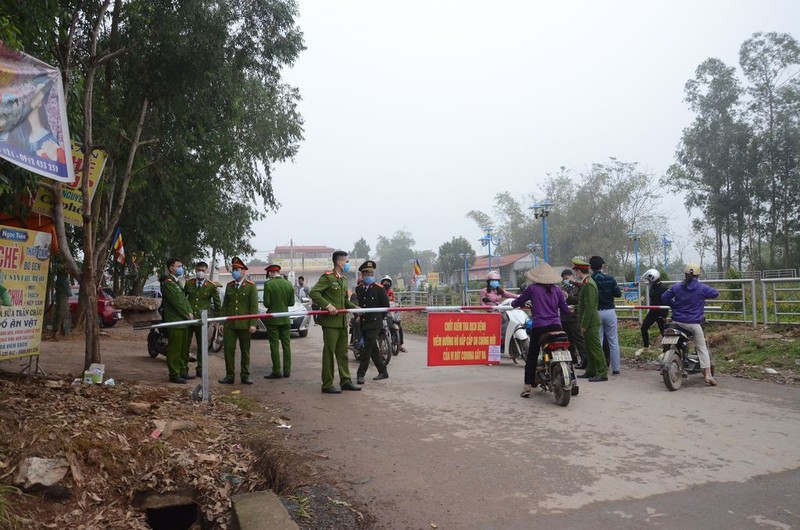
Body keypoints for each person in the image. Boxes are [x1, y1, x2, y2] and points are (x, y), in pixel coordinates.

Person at [512, 263, 571, 397]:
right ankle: (571, 380)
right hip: (557, 327)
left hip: (540, 327)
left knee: (532, 355)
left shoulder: (532, 289)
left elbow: (518, 301)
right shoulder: (557, 290)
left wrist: (513, 304)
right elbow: (565, 309)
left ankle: (527, 387)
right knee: (561, 351)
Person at [309, 250, 362, 394]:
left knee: (343, 353)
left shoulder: (343, 280)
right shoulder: (327, 278)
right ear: (338, 262)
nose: (347, 264)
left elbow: (344, 301)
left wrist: (355, 308)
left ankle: (346, 381)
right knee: (329, 353)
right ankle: (327, 384)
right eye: (346, 261)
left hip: (342, 322)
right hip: (330, 323)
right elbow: (314, 293)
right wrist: (327, 305)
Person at [662, 263, 719, 386]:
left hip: (676, 322)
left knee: (669, 342)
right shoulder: (702, 288)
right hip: (693, 324)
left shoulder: (677, 287)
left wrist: (674, 305)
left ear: (685, 274)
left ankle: (667, 364)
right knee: (701, 347)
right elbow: (715, 293)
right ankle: (708, 375)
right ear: (698, 275)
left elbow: (664, 297)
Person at [219, 257, 258, 385]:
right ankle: (229, 375)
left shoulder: (251, 287)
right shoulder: (229, 286)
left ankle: (245, 375)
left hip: (245, 324)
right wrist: (221, 322)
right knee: (228, 350)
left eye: (237, 269)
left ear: (243, 272)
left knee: (245, 351)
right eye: (233, 269)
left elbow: (253, 306)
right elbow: (225, 305)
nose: (234, 272)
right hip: (230, 325)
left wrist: (253, 324)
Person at [572, 258, 608, 382]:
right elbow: (583, 304)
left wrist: (584, 324)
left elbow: (589, 306)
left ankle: (602, 372)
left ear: (578, 271)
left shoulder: (588, 284)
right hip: (588, 321)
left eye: (575, 271)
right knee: (588, 347)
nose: (575, 274)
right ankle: (591, 370)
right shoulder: (585, 282)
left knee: (595, 347)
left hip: (591, 321)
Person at [354, 260, 389, 384]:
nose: (369, 276)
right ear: (362, 275)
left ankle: (360, 374)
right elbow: (356, 304)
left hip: (375, 323)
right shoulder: (358, 289)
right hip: (364, 322)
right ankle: (383, 371)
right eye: (367, 274)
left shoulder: (379, 289)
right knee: (373, 348)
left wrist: (379, 318)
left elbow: (386, 306)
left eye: (371, 274)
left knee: (367, 349)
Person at [183, 261, 221, 377]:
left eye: (203, 270)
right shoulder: (189, 283)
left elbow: (217, 304)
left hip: (202, 321)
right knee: (185, 345)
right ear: (195, 270)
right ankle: (184, 369)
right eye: (198, 270)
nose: (200, 272)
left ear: (207, 271)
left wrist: (215, 320)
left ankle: (201, 369)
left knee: (202, 346)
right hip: (189, 319)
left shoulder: (211, 286)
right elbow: (183, 300)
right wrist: (186, 312)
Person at [160, 258, 194, 384]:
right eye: (178, 266)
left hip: (183, 321)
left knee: (183, 349)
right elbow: (177, 303)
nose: (181, 268)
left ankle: (182, 371)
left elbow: (185, 300)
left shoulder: (177, 283)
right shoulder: (168, 283)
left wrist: (190, 312)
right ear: (171, 268)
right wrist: (187, 315)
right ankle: (174, 374)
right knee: (174, 349)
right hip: (175, 321)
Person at [590, 255, 622, 375]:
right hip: (610, 312)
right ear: (602, 266)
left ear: (590, 267)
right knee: (613, 341)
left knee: (599, 341)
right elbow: (618, 294)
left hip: (596, 312)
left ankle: (601, 368)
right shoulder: (610, 278)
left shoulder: (590, 280)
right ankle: (616, 369)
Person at [263, 263, 296, 379]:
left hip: (273, 320)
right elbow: (291, 303)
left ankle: (276, 371)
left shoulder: (268, 284)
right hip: (285, 318)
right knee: (286, 345)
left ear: (271, 273)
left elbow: (266, 303)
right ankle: (287, 371)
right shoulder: (288, 284)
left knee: (274, 345)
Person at [481, 271, 517, 348]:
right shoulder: (484, 291)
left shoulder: (499, 290)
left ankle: (506, 342)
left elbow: (509, 295)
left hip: (500, 311)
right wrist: (490, 309)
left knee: (508, 322)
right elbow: (482, 303)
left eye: (496, 281)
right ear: (488, 282)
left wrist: (519, 296)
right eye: (492, 280)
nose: (495, 282)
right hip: (491, 314)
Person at [560, 269, 587, 368]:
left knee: (579, 340)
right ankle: (573, 359)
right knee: (568, 340)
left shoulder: (577, 287)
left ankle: (584, 360)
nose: (565, 281)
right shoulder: (562, 288)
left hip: (574, 317)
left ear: (572, 277)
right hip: (564, 317)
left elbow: (578, 300)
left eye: (567, 278)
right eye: (564, 279)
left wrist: (567, 297)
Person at [639, 268, 669, 353]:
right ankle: (646, 347)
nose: (648, 281)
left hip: (660, 313)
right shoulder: (653, 287)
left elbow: (666, 302)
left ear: (652, 278)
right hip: (652, 312)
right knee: (644, 328)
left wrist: (664, 315)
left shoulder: (663, 288)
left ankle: (666, 351)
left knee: (663, 332)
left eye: (649, 279)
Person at [380, 275, 406, 352]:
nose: (386, 283)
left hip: (390, 312)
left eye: (388, 282)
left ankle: (400, 345)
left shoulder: (391, 292)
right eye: (385, 282)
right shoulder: (380, 290)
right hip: (382, 312)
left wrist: (397, 305)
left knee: (399, 327)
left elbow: (393, 302)